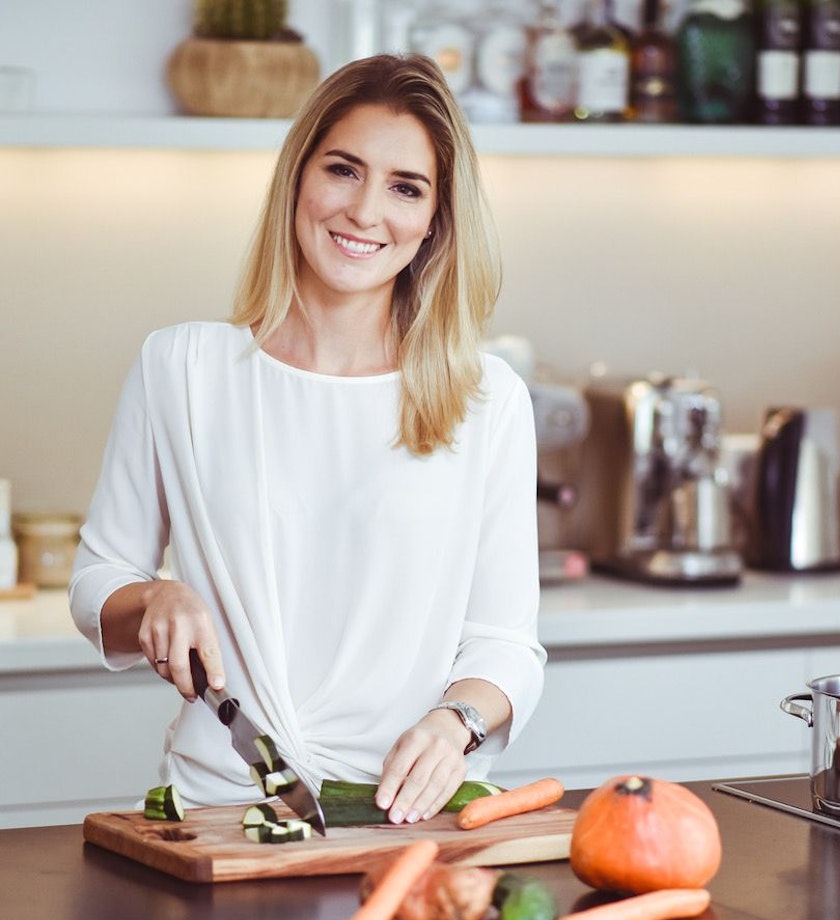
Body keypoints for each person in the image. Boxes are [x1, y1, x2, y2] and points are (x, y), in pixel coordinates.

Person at [69, 53, 545, 826]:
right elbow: (98, 582)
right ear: (298, 177)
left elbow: (506, 647)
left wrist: (457, 724)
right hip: (219, 812)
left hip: (404, 818)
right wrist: (154, 597)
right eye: (343, 170)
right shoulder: (182, 368)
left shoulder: (486, 401)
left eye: (405, 187)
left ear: (436, 220)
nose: (364, 212)